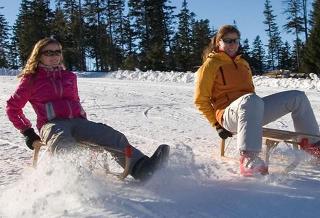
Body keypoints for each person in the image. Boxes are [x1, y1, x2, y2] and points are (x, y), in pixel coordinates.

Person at [6, 37, 169, 181]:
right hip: (52, 124)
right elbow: (12, 107)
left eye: (57, 52)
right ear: (39, 55)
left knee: (111, 135)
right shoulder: (31, 80)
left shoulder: (69, 77)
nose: (54, 56)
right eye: (49, 53)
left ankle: (141, 168)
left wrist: (87, 128)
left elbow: (75, 102)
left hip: (77, 122)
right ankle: (76, 178)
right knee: (63, 142)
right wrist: (28, 132)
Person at [194, 25, 320, 176]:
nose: (232, 44)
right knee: (251, 100)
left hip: (249, 109)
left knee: (297, 97)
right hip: (227, 116)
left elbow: (250, 94)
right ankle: (248, 159)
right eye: (227, 40)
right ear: (218, 42)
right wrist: (217, 125)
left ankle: (313, 147)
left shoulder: (243, 64)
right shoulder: (210, 65)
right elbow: (200, 100)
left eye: (235, 40)